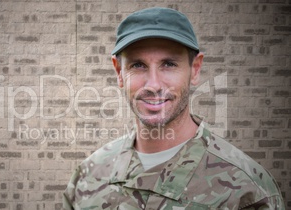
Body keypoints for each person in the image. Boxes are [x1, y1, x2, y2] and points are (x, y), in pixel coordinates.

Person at [63, 7, 284, 209]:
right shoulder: (87, 177)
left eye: (169, 64)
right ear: (119, 72)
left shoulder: (249, 191)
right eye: (137, 65)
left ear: (195, 69)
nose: (154, 85)